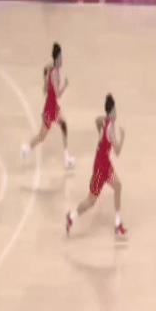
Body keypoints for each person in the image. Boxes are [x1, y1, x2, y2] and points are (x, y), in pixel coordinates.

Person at [66, 94, 127, 238]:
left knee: (118, 186)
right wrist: (122, 137)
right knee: (91, 201)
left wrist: (101, 129)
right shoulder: (110, 129)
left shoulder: (104, 121)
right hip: (100, 167)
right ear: (111, 112)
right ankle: (71, 216)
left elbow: (97, 120)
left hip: (104, 162)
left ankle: (117, 224)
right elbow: (117, 152)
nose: (116, 113)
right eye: (114, 111)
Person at [21, 43, 75, 169]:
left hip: (52, 106)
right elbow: (58, 94)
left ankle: (27, 149)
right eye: (60, 58)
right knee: (45, 134)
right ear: (56, 59)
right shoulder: (54, 73)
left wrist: (46, 79)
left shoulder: (52, 69)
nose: (62, 60)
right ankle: (27, 149)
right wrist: (65, 85)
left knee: (54, 130)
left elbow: (46, 72)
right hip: (51, 108)